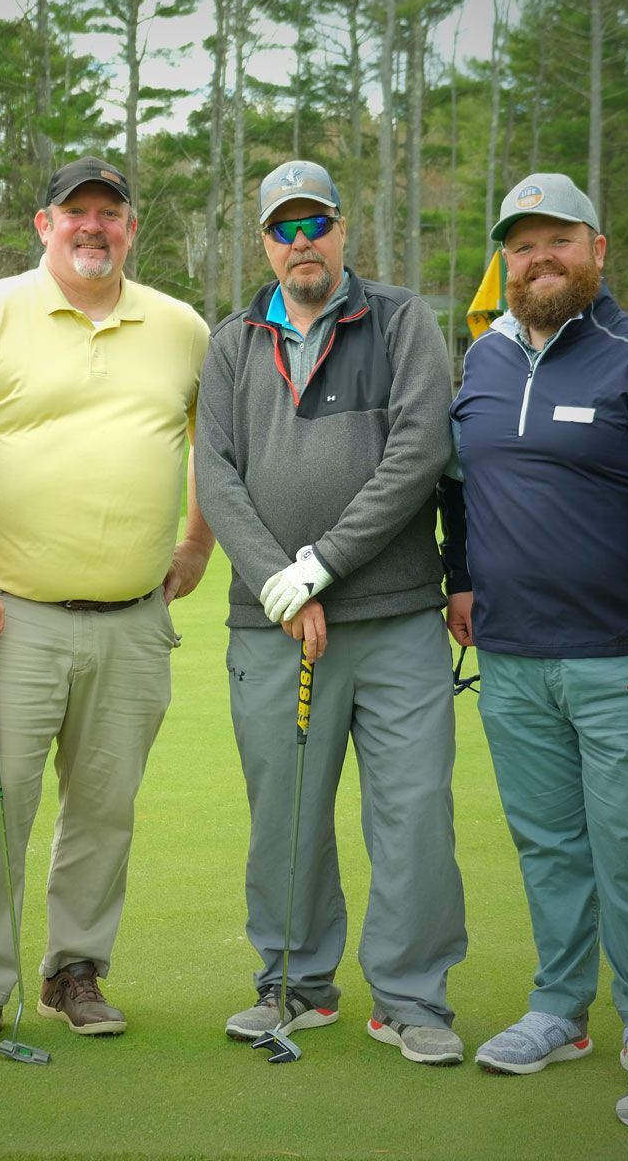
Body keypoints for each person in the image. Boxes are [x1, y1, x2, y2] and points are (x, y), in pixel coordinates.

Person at [0, 156, 214, 1061]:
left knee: (104, 811)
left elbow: (216, 445)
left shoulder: (181, 328)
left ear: (130, 227)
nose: (92, 227)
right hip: (13, 615)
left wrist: (197, 542)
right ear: (43, 225)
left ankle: (73, 972)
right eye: (74, 211)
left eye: (109, 213)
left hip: (132, 618)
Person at [442, 172, 628, 1096]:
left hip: (622, 659)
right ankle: (560, 1010)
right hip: (514, 660)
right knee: (549, 843)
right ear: (506, 262)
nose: (540, 257)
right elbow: (455, 485)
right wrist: (461, 582)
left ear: (596, 247)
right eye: (522, 245)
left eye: (558, 238)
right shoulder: (481, 360)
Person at [195, 158, 468, 1066]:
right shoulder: (234, 340)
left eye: (317, 223)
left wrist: (321, 567)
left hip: (392, 619)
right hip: (270, 624)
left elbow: (420, 451)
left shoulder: (400, 322)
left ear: (344, 230)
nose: (302, 241)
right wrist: (279, 579)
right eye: (284, 227)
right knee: (288, 812)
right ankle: (295, 985)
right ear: (265, 242)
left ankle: (413, 998)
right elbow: (217, 474)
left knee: (415, 809)